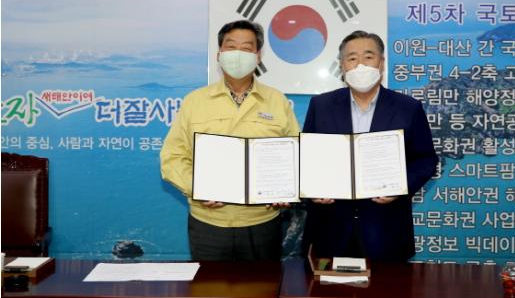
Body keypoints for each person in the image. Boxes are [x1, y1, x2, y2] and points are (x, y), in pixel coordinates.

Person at [160, 19, 300, 261]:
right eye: (231, 47)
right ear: (219, 54)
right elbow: (172, 157)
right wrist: (197, 187)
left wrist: (287, 188)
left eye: (246, 48)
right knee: (209, 283)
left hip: (262, 222)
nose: (238, 54)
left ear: (258, 56)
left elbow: (296, 155)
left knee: (261, 283)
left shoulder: (276, 101)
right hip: (208, 223)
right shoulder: (195, 101)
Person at [302, 30, 438, 261]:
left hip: (386, 227)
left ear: (381, 63)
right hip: (330, 227)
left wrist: (400, 187)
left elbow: (426, 159)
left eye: (368, 56)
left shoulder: (408, 107)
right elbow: (306, 158)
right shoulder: (321, 105)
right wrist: (313, 189)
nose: (360, 65)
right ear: (342, 65)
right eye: (352, 58)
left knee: (387, 284)